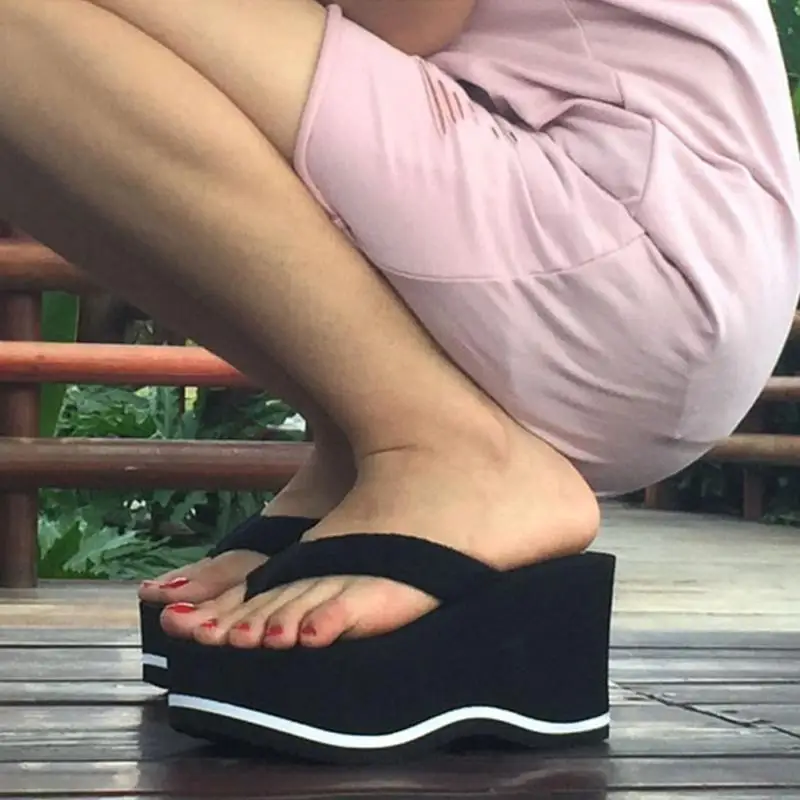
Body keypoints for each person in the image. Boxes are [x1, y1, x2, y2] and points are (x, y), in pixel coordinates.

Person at [1, 0, 798, 652]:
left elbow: (409, 17)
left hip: (627, 252)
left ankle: (437, 442)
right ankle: (365, 436)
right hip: (623, 251)